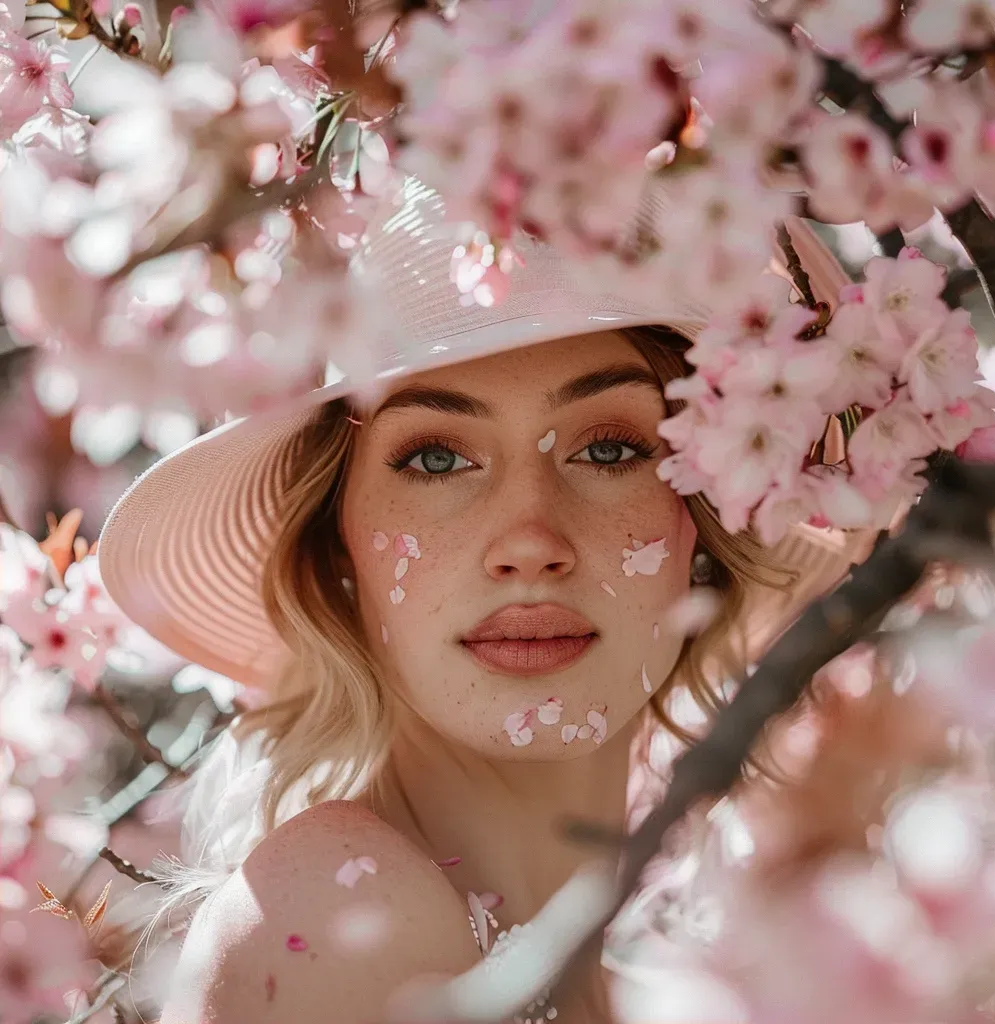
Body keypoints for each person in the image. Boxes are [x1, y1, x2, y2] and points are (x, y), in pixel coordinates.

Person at [97, 176, 868, 1023]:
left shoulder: (670, 989)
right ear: (335, 544)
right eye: (435, 458)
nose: (530, 541)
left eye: (609, 449)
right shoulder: (334, 920)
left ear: (709, 522)